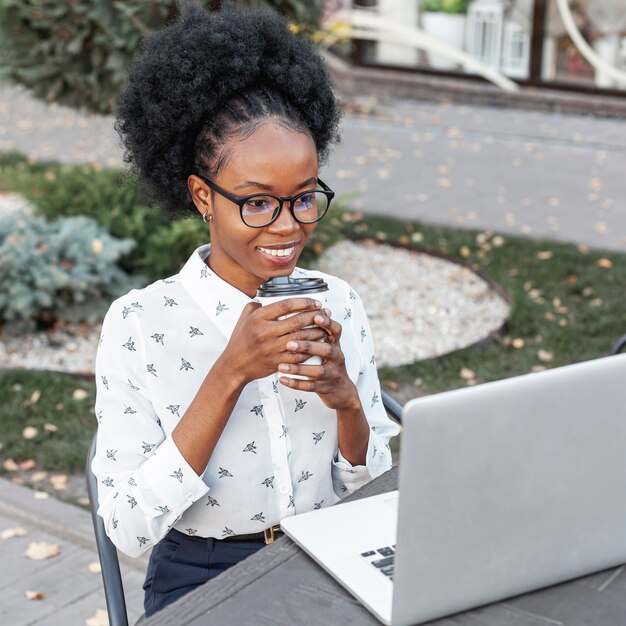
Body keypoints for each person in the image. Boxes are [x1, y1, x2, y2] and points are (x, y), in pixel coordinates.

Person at [92, 3, 400, 617]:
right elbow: (127, 529)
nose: (289, 227)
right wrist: (231, 370)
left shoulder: (338, 301)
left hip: (330, 555)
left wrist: (346, 402)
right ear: (203, 195)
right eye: (257, 203)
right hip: (204, 572)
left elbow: (371, 491)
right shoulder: (142, 326)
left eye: (305, 198)